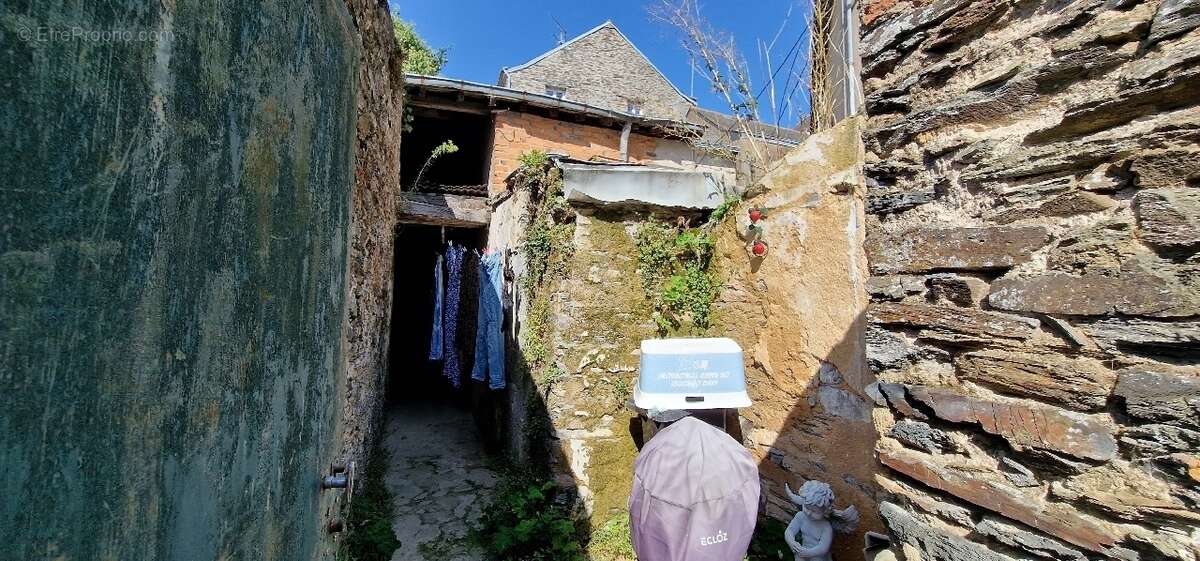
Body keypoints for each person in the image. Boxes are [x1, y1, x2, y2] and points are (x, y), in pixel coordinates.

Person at [783, 480, 859, 561]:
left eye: (814, 511)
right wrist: (792, 543)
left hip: (818, 556)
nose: (808, 513)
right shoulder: (801, 516)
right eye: (806, 507)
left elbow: (823, 548)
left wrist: (808, 553)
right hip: (802, 552)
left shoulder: (826, 526)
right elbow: (789, 531)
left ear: (825, 511)